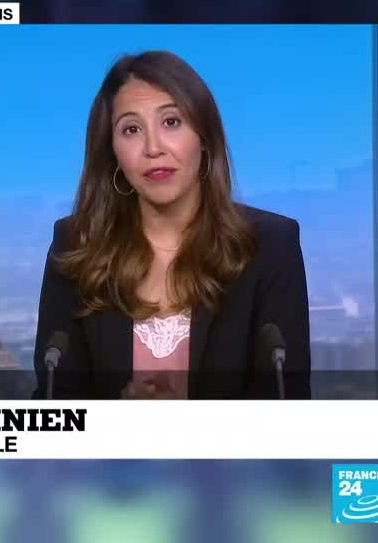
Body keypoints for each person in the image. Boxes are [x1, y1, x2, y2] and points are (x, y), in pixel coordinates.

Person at [33, 51, 311, 400]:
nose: (153, 148)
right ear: (112, 151)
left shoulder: (270, 245)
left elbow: (287, 405)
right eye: (131, 129)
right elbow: (56, 404)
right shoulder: (76, 244)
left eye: (171, 122)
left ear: (204, 136)